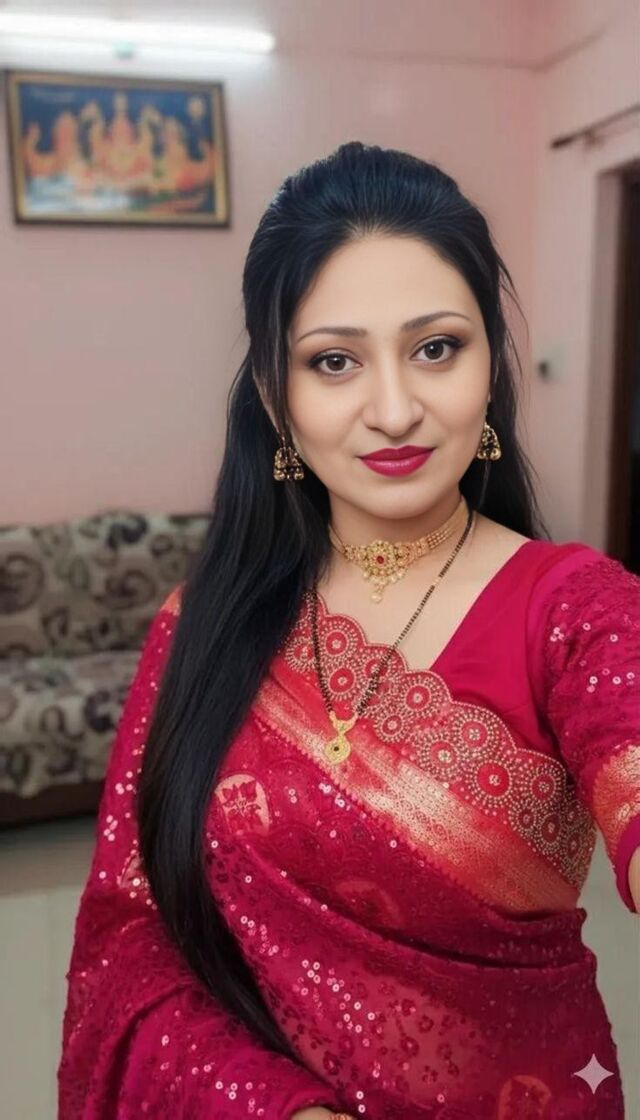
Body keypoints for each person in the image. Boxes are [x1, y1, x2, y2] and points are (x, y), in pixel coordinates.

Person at [58, 142, 639, 1119]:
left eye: (436, 348)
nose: (395, 409)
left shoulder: (577, 610)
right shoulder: (204, 625)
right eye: (334, 361)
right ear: (273, 395)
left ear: (489, 364)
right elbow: (132, 934)